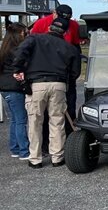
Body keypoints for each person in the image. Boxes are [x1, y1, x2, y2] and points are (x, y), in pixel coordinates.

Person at [13, 17, 81, 168]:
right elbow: (75, 72)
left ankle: (35, 158)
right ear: (65, 31)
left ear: (50, 27)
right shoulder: (69, 47)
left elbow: (21, 51)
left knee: (35, 121)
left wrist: (18, 69)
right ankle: (57, 157)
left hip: (36, 84)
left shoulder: (35, 38)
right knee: (57, 121)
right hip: (58, 84)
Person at [0, 22, 30, 160]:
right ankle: (24, 150)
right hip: (14, 88)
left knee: (14, 120)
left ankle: (15, 148)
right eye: (25, 32)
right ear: (19, 34)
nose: (27, 34)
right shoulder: (17, 50)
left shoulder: (5, 49)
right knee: (21, 120)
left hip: (5, 88)